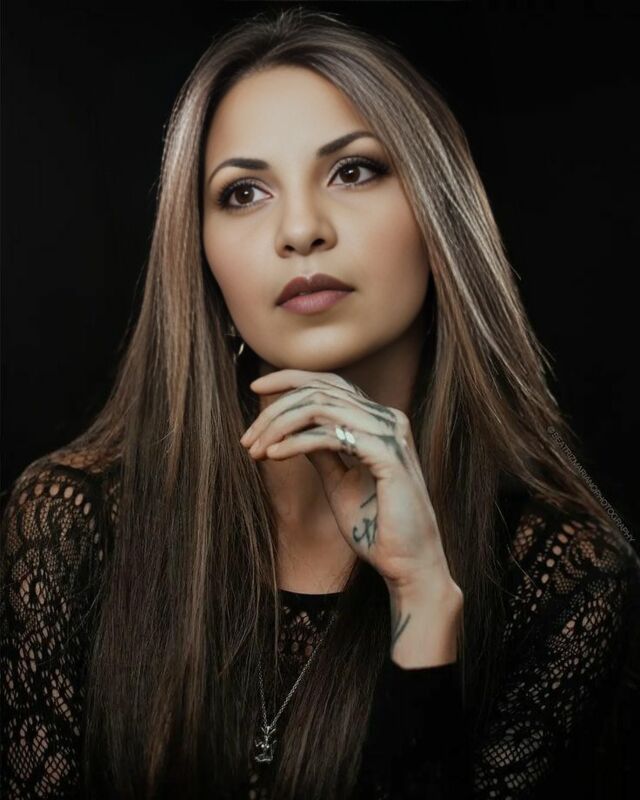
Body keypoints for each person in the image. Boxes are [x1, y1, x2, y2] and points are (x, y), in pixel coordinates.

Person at [2, 7, 639, 800]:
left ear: (438, 213)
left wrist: (423, 601)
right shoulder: (74, 523)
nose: (300, 230)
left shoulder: (565, 575)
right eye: (243, 192)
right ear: (201, 258)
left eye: (354, 171)